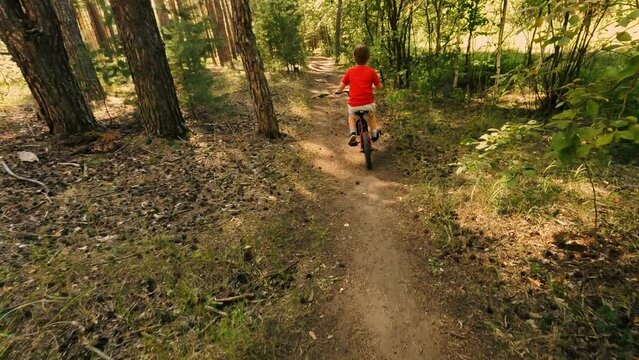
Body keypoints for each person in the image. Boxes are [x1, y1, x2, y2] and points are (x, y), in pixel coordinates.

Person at [335, 44, 383, 146]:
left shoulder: (350, 71)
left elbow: (341, 87)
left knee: (352, 116)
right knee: (371, 115)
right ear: (368, 57)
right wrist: (377, 85)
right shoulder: (371, 71)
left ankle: (352, 132)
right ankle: (374, 133)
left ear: (354, 57)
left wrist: (338, 91)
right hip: (368, 105)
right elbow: (379, 87)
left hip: (354, 105)